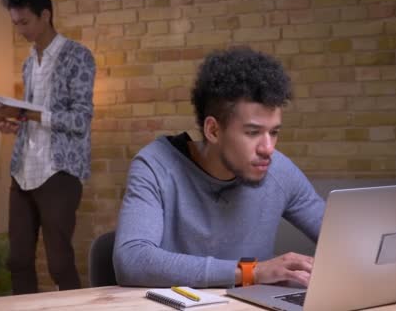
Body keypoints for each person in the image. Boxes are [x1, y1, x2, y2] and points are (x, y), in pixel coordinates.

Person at [113, 48, 325, 288]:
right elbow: (132, 260)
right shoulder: (156, 166)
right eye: (253, 132)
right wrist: (250, 272)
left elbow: (342, 236)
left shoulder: (279, 171)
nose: (268, 148)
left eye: (274, 132)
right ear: (213, 130)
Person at [0, 0, 95, 294]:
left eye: (25, 22)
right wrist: (16, 122)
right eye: (15, 23)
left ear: (45, 15)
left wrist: (32, 115)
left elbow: (80, 119)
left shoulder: (77, 56)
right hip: (23, 171)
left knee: (59, 262)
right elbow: (33, 116)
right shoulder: (28, 64)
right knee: (19, 260)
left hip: (59, 172)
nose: (20, 30)